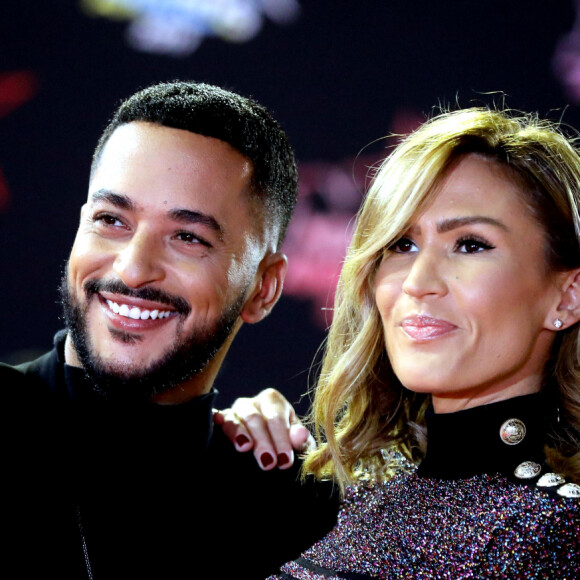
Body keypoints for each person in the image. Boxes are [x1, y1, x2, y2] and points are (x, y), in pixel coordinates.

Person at [2, 81, 338, 579]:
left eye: (187, 237)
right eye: (111, 219)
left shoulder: (291, 506)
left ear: (264, 288)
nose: (133, 268)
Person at [268, 107, 580, 579]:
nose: (417, 281)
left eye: (470, 244)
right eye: (402, 244)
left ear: (567, 295)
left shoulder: (555, 533)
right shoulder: (344, 495)